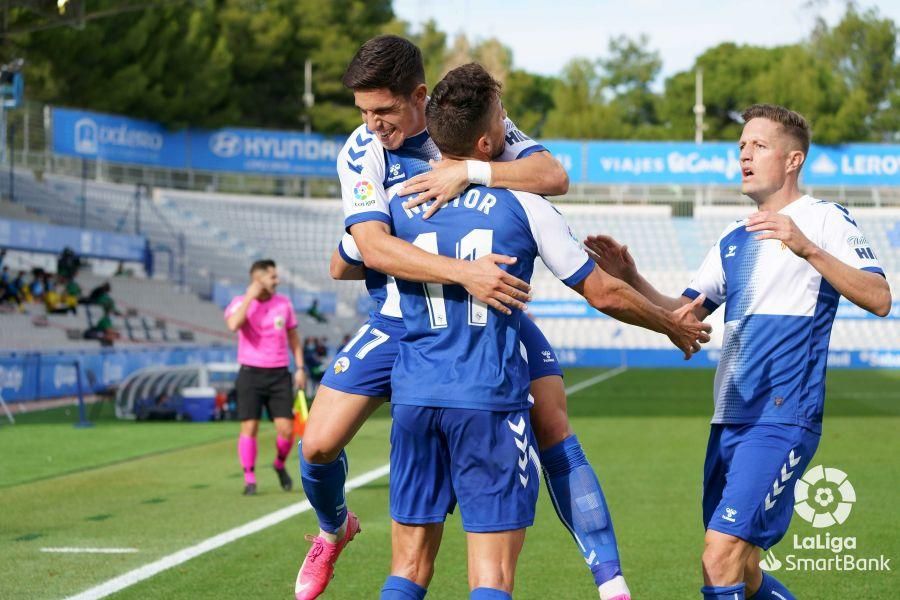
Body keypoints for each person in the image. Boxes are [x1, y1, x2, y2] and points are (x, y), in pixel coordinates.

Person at [291, 35, 624, 600]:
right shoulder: (361, 148)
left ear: (419, 96)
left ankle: (610, 579)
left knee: (552, 423)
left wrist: (472, 171)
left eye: (384, 111)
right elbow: (367, 248)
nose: (372, 124)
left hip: (485, 309)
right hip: (404, 315)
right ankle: (333, 527)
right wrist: (460, 270)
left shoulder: (470, 121)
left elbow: (552, 177)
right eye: (364, 112)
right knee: (318, 445)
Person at [378, 63, 710, 599]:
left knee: (407, 569)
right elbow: (601, 291)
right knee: (491, 577)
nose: (511, 125)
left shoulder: (397, 203)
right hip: (485, 400)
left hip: (414, 397)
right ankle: (612, 581)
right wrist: (669, 321)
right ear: (486, 144)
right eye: (503, 119)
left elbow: (351, 258)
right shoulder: (526, 204)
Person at [584, 104, 891, 600]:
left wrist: (808, 248)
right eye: (741, 146)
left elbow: (879, 298)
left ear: (793, 161)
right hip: (729, 419)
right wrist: (633, 280)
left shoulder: (825, 220)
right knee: (739, 571)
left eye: (759, 146)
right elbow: (682, 319)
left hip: (782, 416)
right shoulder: (732, 239)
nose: (744, 155)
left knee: (719, 554)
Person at [225, 259, 306, 496]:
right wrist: (250, 297)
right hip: (250, 373)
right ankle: (249, 478)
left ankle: (279, 464)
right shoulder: (240, 303)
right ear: (258, 279)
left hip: (279, 374)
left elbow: (294, 338)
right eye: (272, 277)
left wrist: (300, 367)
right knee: (249, 427)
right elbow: (233, 325)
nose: (277, 280)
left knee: (287, 430)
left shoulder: (284, 304)